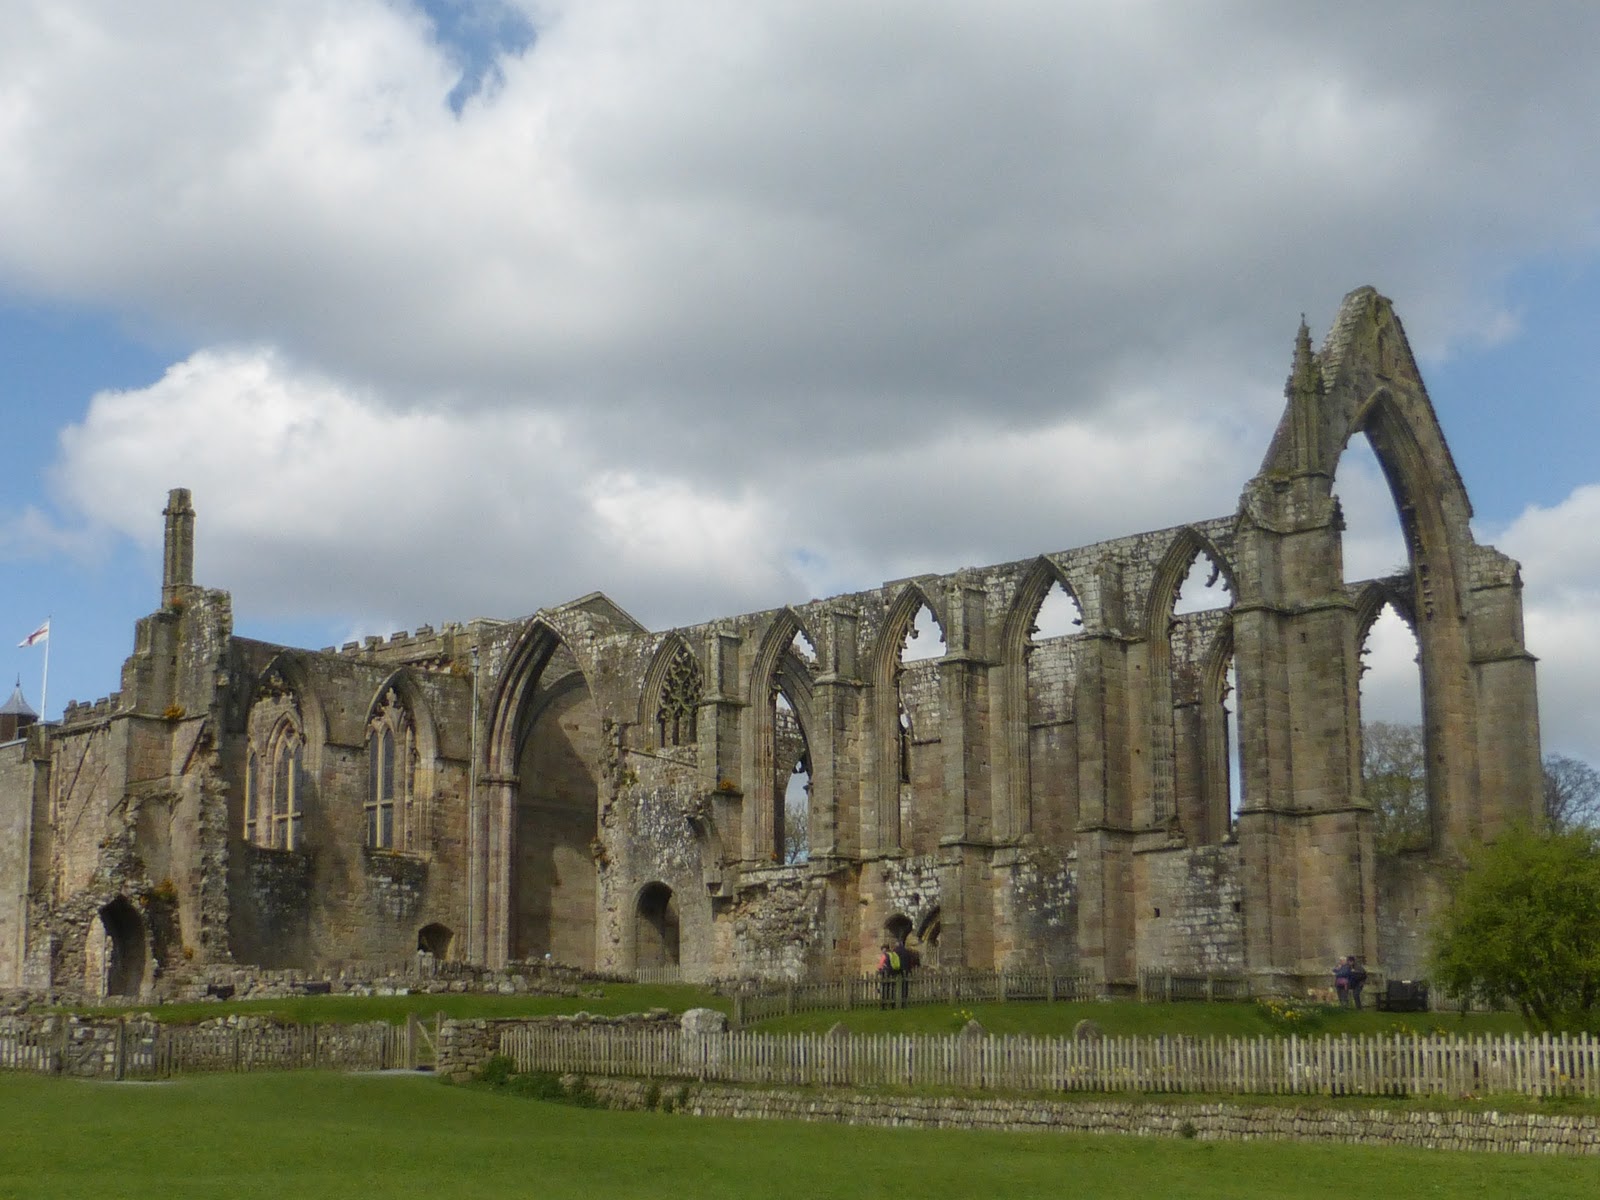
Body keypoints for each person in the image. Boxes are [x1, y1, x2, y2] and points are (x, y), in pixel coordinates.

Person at [876, 943, 902, 1009]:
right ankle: (893, 1004)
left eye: (882, 949)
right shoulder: (893, 954)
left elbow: (880, 966)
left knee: (885, 989)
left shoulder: (885, 955)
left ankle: (883, 1005)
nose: (882, 951)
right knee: (892, 988)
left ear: (885, 949)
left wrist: (879, 970)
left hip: (885, 973)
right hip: (893, 973)